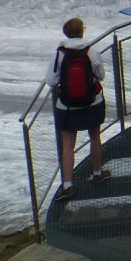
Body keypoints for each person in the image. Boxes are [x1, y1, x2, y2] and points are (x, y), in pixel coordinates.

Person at [47, 16, 111, 201]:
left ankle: (67, 185)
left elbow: (51, 80)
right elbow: (101, 75)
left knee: (68, 145)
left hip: (66, 106)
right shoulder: (91, 51)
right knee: (94, 136)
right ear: (82, 32)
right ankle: (98, 173)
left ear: (66, 33)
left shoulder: (59, 54)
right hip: (92, 102)